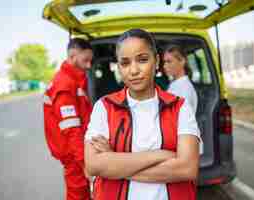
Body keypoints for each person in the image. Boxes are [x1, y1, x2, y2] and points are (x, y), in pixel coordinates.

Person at [84, 29, 201, 200]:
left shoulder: (180, 107)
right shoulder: (104, 107)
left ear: (156, 61)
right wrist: (161, 154)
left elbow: (187, 169)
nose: (133, 70)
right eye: (124, 63)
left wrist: (115, 162)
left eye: (143, 60)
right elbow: (93, 165)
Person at [43, 38, 93, 200]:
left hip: (78, 152)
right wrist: (84, 163)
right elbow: (71, 129)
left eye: (90, 61)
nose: (89, 65)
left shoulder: (73, 81)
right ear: (72, 56)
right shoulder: (64, 85)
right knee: (78, 194)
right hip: (74, 155)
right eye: (85, 60)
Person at [162, 44, 198, 113]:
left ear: (182, 61)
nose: (164, 66)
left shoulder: (184, 89)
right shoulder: (175, 83)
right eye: (164, 62)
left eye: (169, 61)